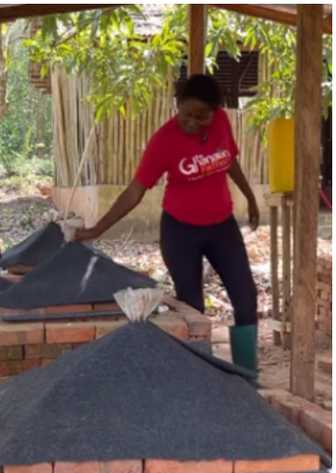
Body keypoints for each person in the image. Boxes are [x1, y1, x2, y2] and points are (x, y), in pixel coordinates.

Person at [74, 74, 260, 372]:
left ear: (215, 112)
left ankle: (248, 375)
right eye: (187, 114)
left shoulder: (222, 123)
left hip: (222, 227)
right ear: (178, 105)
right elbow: (135, 191)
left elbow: (230, 160)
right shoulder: (164, 141)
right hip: (181, 232)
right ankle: (202, 378)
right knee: (193, 309)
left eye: (202, 117)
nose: (193, 122)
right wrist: (98, 228)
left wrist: (250, 197)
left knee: (246, 298)